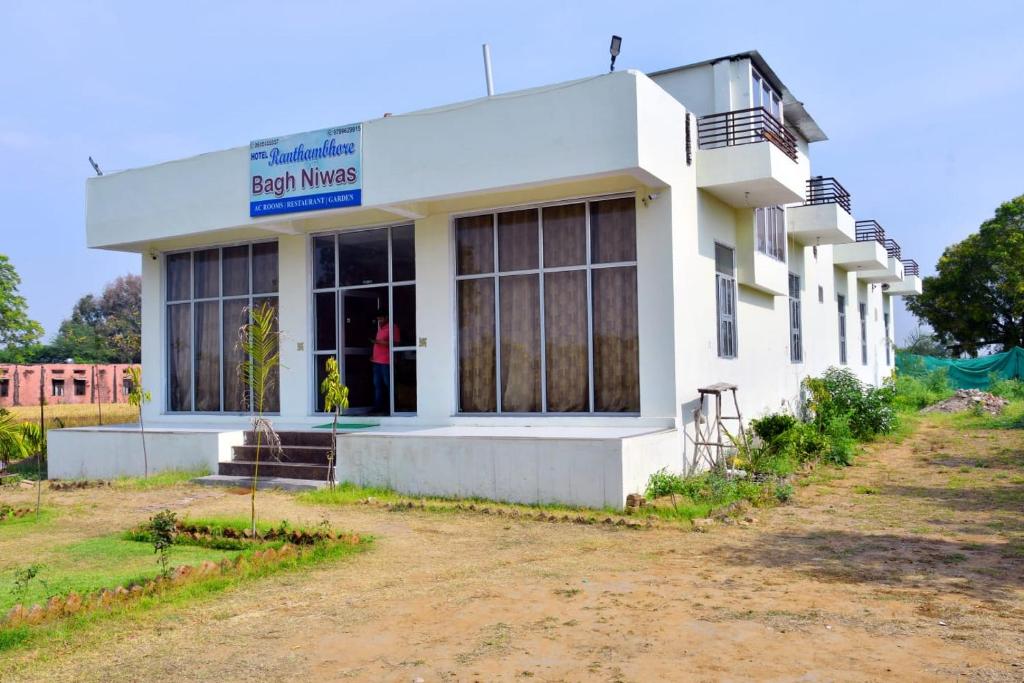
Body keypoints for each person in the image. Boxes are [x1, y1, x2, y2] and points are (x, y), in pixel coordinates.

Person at [370, 309, 398, 415]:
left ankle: (392, 407)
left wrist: (378, 342)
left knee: (388, 384)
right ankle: (378, 407)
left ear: (386, 317)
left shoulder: (392, 327)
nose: (380, 320)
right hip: (376, 361)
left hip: (386, 361)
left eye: (381, 318)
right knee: (377, 385)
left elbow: (396, 343)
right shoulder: (380, 328)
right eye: (378, 319)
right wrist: (374, 355)